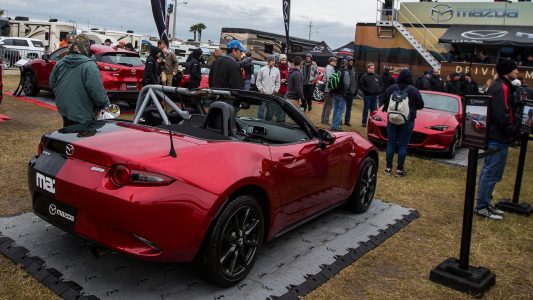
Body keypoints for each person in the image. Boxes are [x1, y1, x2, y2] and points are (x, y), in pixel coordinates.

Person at [475, 59, 520, 220]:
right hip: (498, 137)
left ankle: (486, 203)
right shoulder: (502, 88)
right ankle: (482, 206)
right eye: (515, 69)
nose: (517, 72)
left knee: (493, 173)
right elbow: (502, 114)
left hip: (498, 136)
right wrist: (512, 131)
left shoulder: (501, 86)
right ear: (507, 70)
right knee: (490, 172)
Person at [49, 34, 110, 127]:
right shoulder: (89, 65)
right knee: (83, 139)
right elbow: (97, 92)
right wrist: (106, 105)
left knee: (68, 134)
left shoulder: (60, 63)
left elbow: (52, 82)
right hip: (83, 113)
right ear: (86, 47)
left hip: (65, 109)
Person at [382, 69, 424, 177]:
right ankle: (399, 170)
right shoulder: (414, 90)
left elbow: (383, 100)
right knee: (403, 144)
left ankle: (388, 168)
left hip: (392, 119)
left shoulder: (392, 88)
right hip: (408, 120)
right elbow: (421, 105)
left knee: (391, 142)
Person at [256, 55, 281, 120]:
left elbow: (278, 82)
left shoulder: (276, 70)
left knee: (270, 110)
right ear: (269, 61)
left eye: (274, 61)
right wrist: (261, 90)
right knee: (261, 108)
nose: (274, 62)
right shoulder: (262, 69)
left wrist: (275, 91)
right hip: (263, 93)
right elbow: (258, 81)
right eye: (272, 60)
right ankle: (259, 120)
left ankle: (268, 120)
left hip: (271, 94)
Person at [359, 63, 383, 127]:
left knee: (373, 111)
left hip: (375, 96)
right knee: (366, 109)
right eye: (372, 68)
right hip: (367, 96)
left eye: (373, 68)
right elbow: (361, 85)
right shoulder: (364, 76)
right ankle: (364, 122)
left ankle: (372, 123)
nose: (373, 69)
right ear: (368, 68)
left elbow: (381, 84)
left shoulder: (377, 76)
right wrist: (367, 91)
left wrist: (379, 90)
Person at [331, 59, 350, 132]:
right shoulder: (345, 72)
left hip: (334, 92)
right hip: (341, 94)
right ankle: (335, 126)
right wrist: (345, 91)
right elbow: (346, 84)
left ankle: (333, 124)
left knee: (335, 109)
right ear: (346, 64)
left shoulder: (337, 70)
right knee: (340, 110)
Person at [321, 57, 337, 125]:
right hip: (329, 89)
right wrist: (333, 88)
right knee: (329, 105)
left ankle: (323, 120)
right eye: (334, 61)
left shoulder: (329, 68)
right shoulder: (329, 68)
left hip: (328, 89)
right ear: (330, 61)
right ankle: (325, 120)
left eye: (336, 61)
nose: (336, 62)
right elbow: (330, 78)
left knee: (326, 104)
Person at [344, 56, 358, 126]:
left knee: (349, 108)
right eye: (350, 61)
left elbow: (355, 81)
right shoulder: (344, 69)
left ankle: (347, 121)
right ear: (347, 61)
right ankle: (339, 120)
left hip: (351, 92)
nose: (351, 62)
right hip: (344, 92)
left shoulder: (353, 69)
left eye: (352, 61)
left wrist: (355, 90)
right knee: (342, 107)